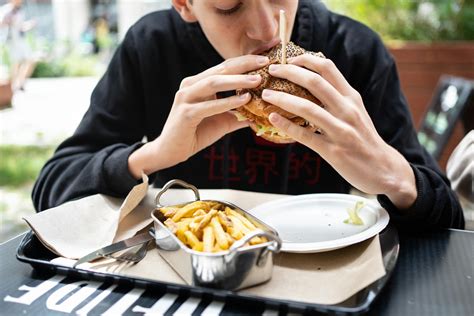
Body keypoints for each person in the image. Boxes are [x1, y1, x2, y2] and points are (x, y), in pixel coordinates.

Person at [32, 0, 464, 231]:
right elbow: (51, 188)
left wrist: (390, 174)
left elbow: (451, 221)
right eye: (228, 6)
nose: (266, 30)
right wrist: (154, 155)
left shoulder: (354, 53)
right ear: (184, 4)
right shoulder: (153, 46)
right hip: (182, 277)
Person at [0, 0, 35, 91]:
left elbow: (20, 27)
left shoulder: (20, 10)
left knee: (30, 59)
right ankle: (13, 85)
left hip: (21, 39)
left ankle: (21, 82)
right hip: (12, 40)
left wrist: (29, 25)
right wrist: (7, 20)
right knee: (16, 62)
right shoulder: (6, 10)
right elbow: (2, 24)